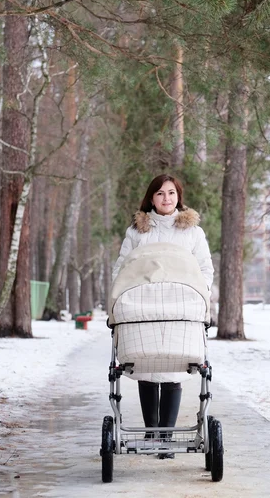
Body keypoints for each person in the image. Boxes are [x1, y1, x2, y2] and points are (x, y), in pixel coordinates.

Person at [112, 173, 214, 459]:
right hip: (144, 308)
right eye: (160, 193)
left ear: (178, 196)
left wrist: (199, 295)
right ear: (151, 198)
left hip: (180, 308)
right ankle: (151, 431)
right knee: (146, 369)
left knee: (171, 371)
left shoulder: (193, 232)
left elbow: (205, 269)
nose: (166, 198)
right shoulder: (137, 232)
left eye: (171, 192)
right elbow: (122, 268)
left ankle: (166, 436)